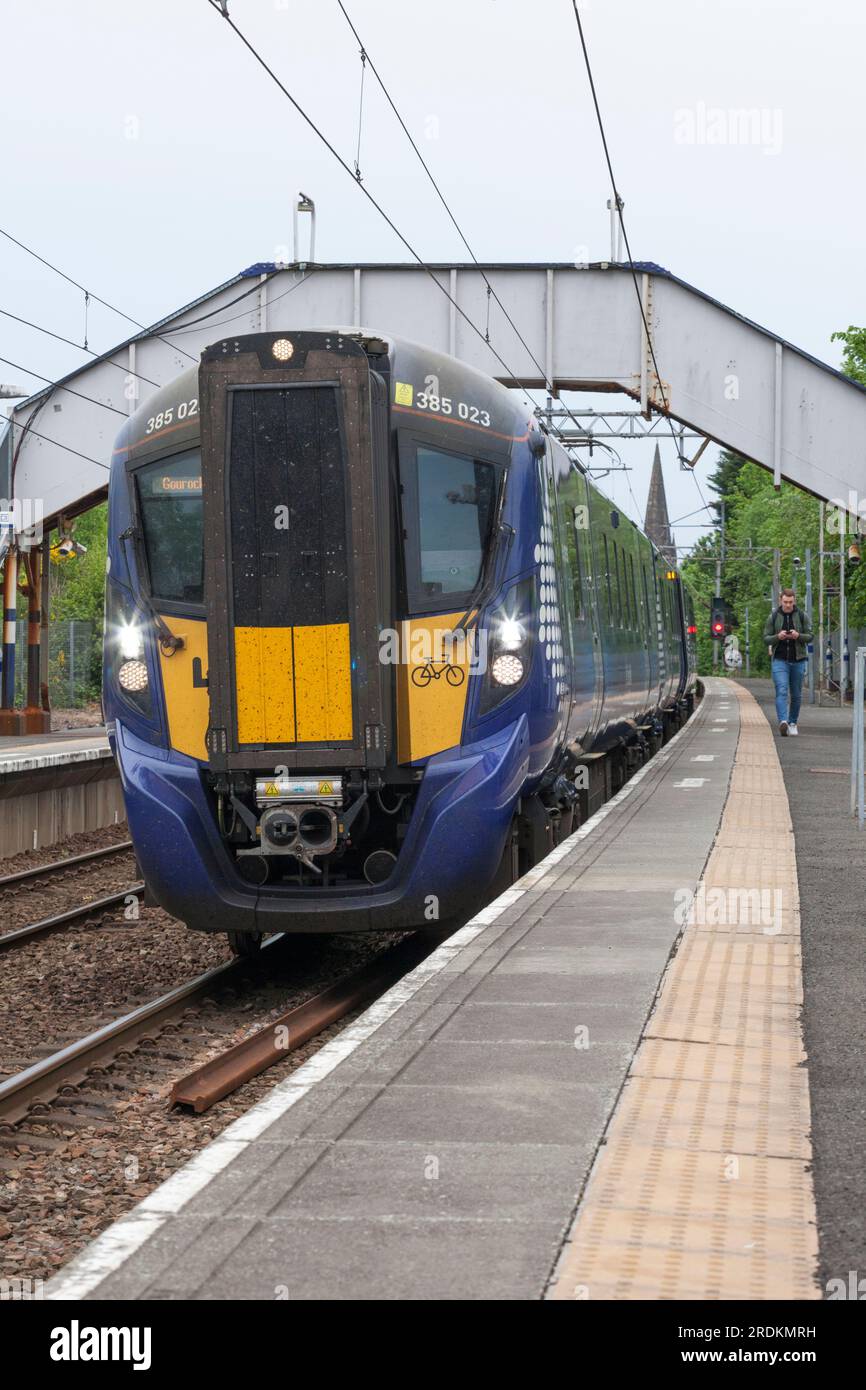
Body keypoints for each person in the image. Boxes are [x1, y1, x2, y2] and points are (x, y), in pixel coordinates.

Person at [763, 588, 813, 736]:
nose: (788, 605)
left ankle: (792, 722)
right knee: (782, 689)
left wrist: (798, 636)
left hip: (798, 660)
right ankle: (783, 721)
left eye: (791, 602)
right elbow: (766, 638)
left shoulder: (802, 616)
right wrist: (778, 636)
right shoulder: (773, 617)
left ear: (794, 601)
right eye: (785, 602)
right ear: (780, 600)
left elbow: (810, 636)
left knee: (796, 694)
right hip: (780, 660)